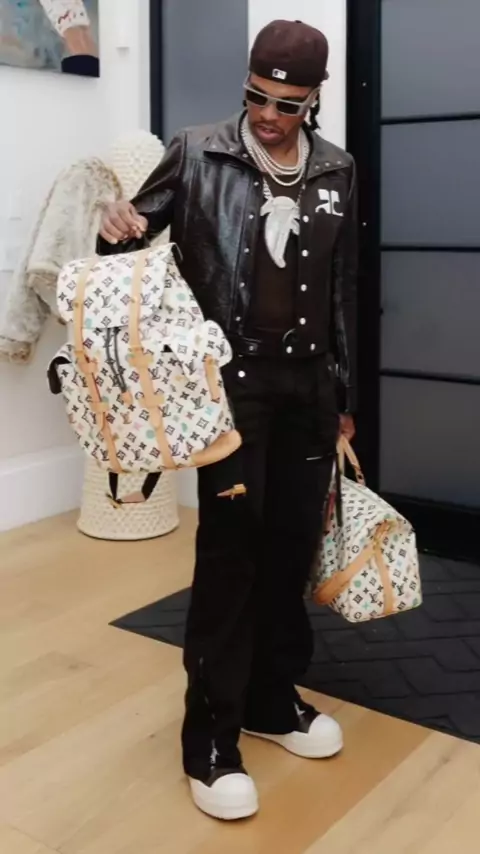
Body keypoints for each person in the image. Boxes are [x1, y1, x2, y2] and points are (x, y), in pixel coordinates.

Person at [98, 19, 358, 821]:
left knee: (290, 549)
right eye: (257, 96)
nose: (269, 115)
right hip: (228, 391)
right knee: (232, 556)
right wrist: (113, 227)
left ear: (314, 98)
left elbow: (342, 287)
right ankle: (209, 740)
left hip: (309, 389)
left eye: (288, 103)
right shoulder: (197, 151)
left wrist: (344, 400)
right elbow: (127, 253)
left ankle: (272, 701)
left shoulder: (337, 168)